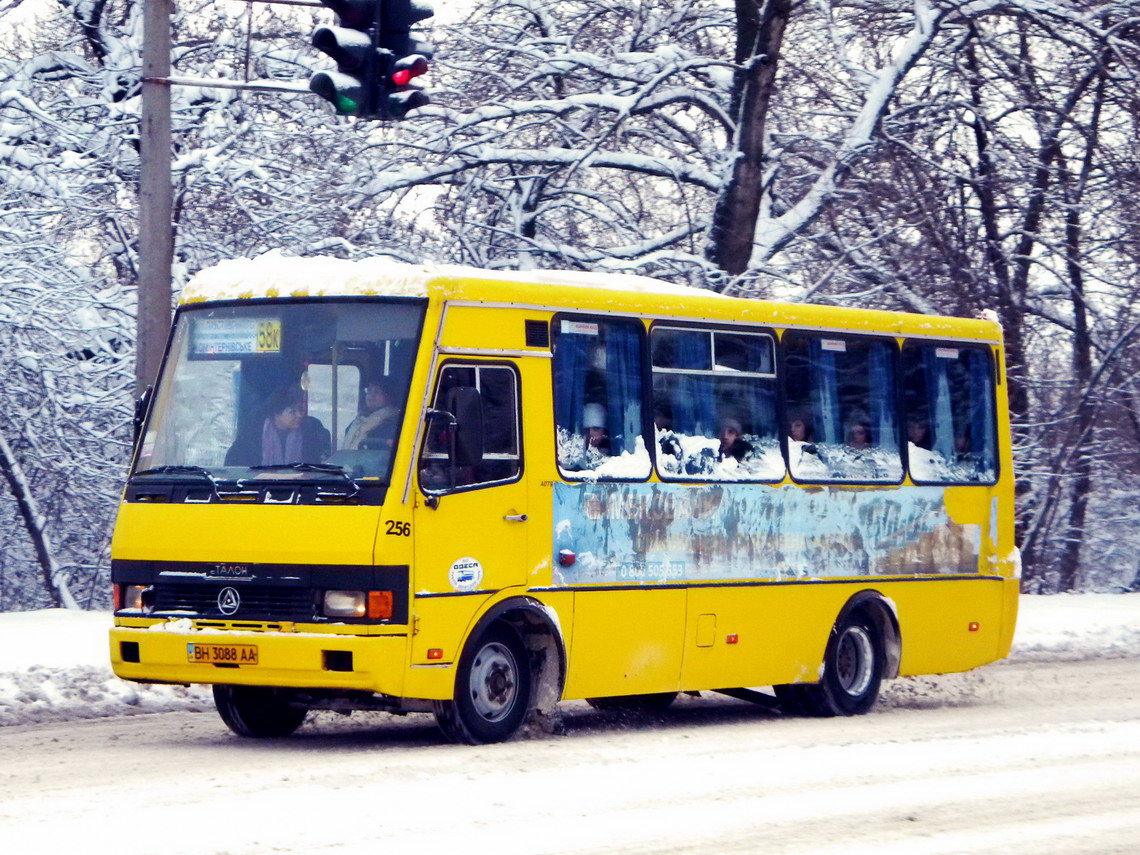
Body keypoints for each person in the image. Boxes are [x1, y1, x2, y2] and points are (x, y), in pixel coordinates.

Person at [261, 385, 330, 465]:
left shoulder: (313, 428)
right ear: (276, 414)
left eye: (300, 409)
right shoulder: (257, 432)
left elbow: (318, 464)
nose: (299, 415)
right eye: (292, 412)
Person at [343, 379, 398, 450]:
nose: (371, 395)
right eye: (369, 391)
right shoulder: (359, 420)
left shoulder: (393, 423)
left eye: (377, 391)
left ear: (389, 396)